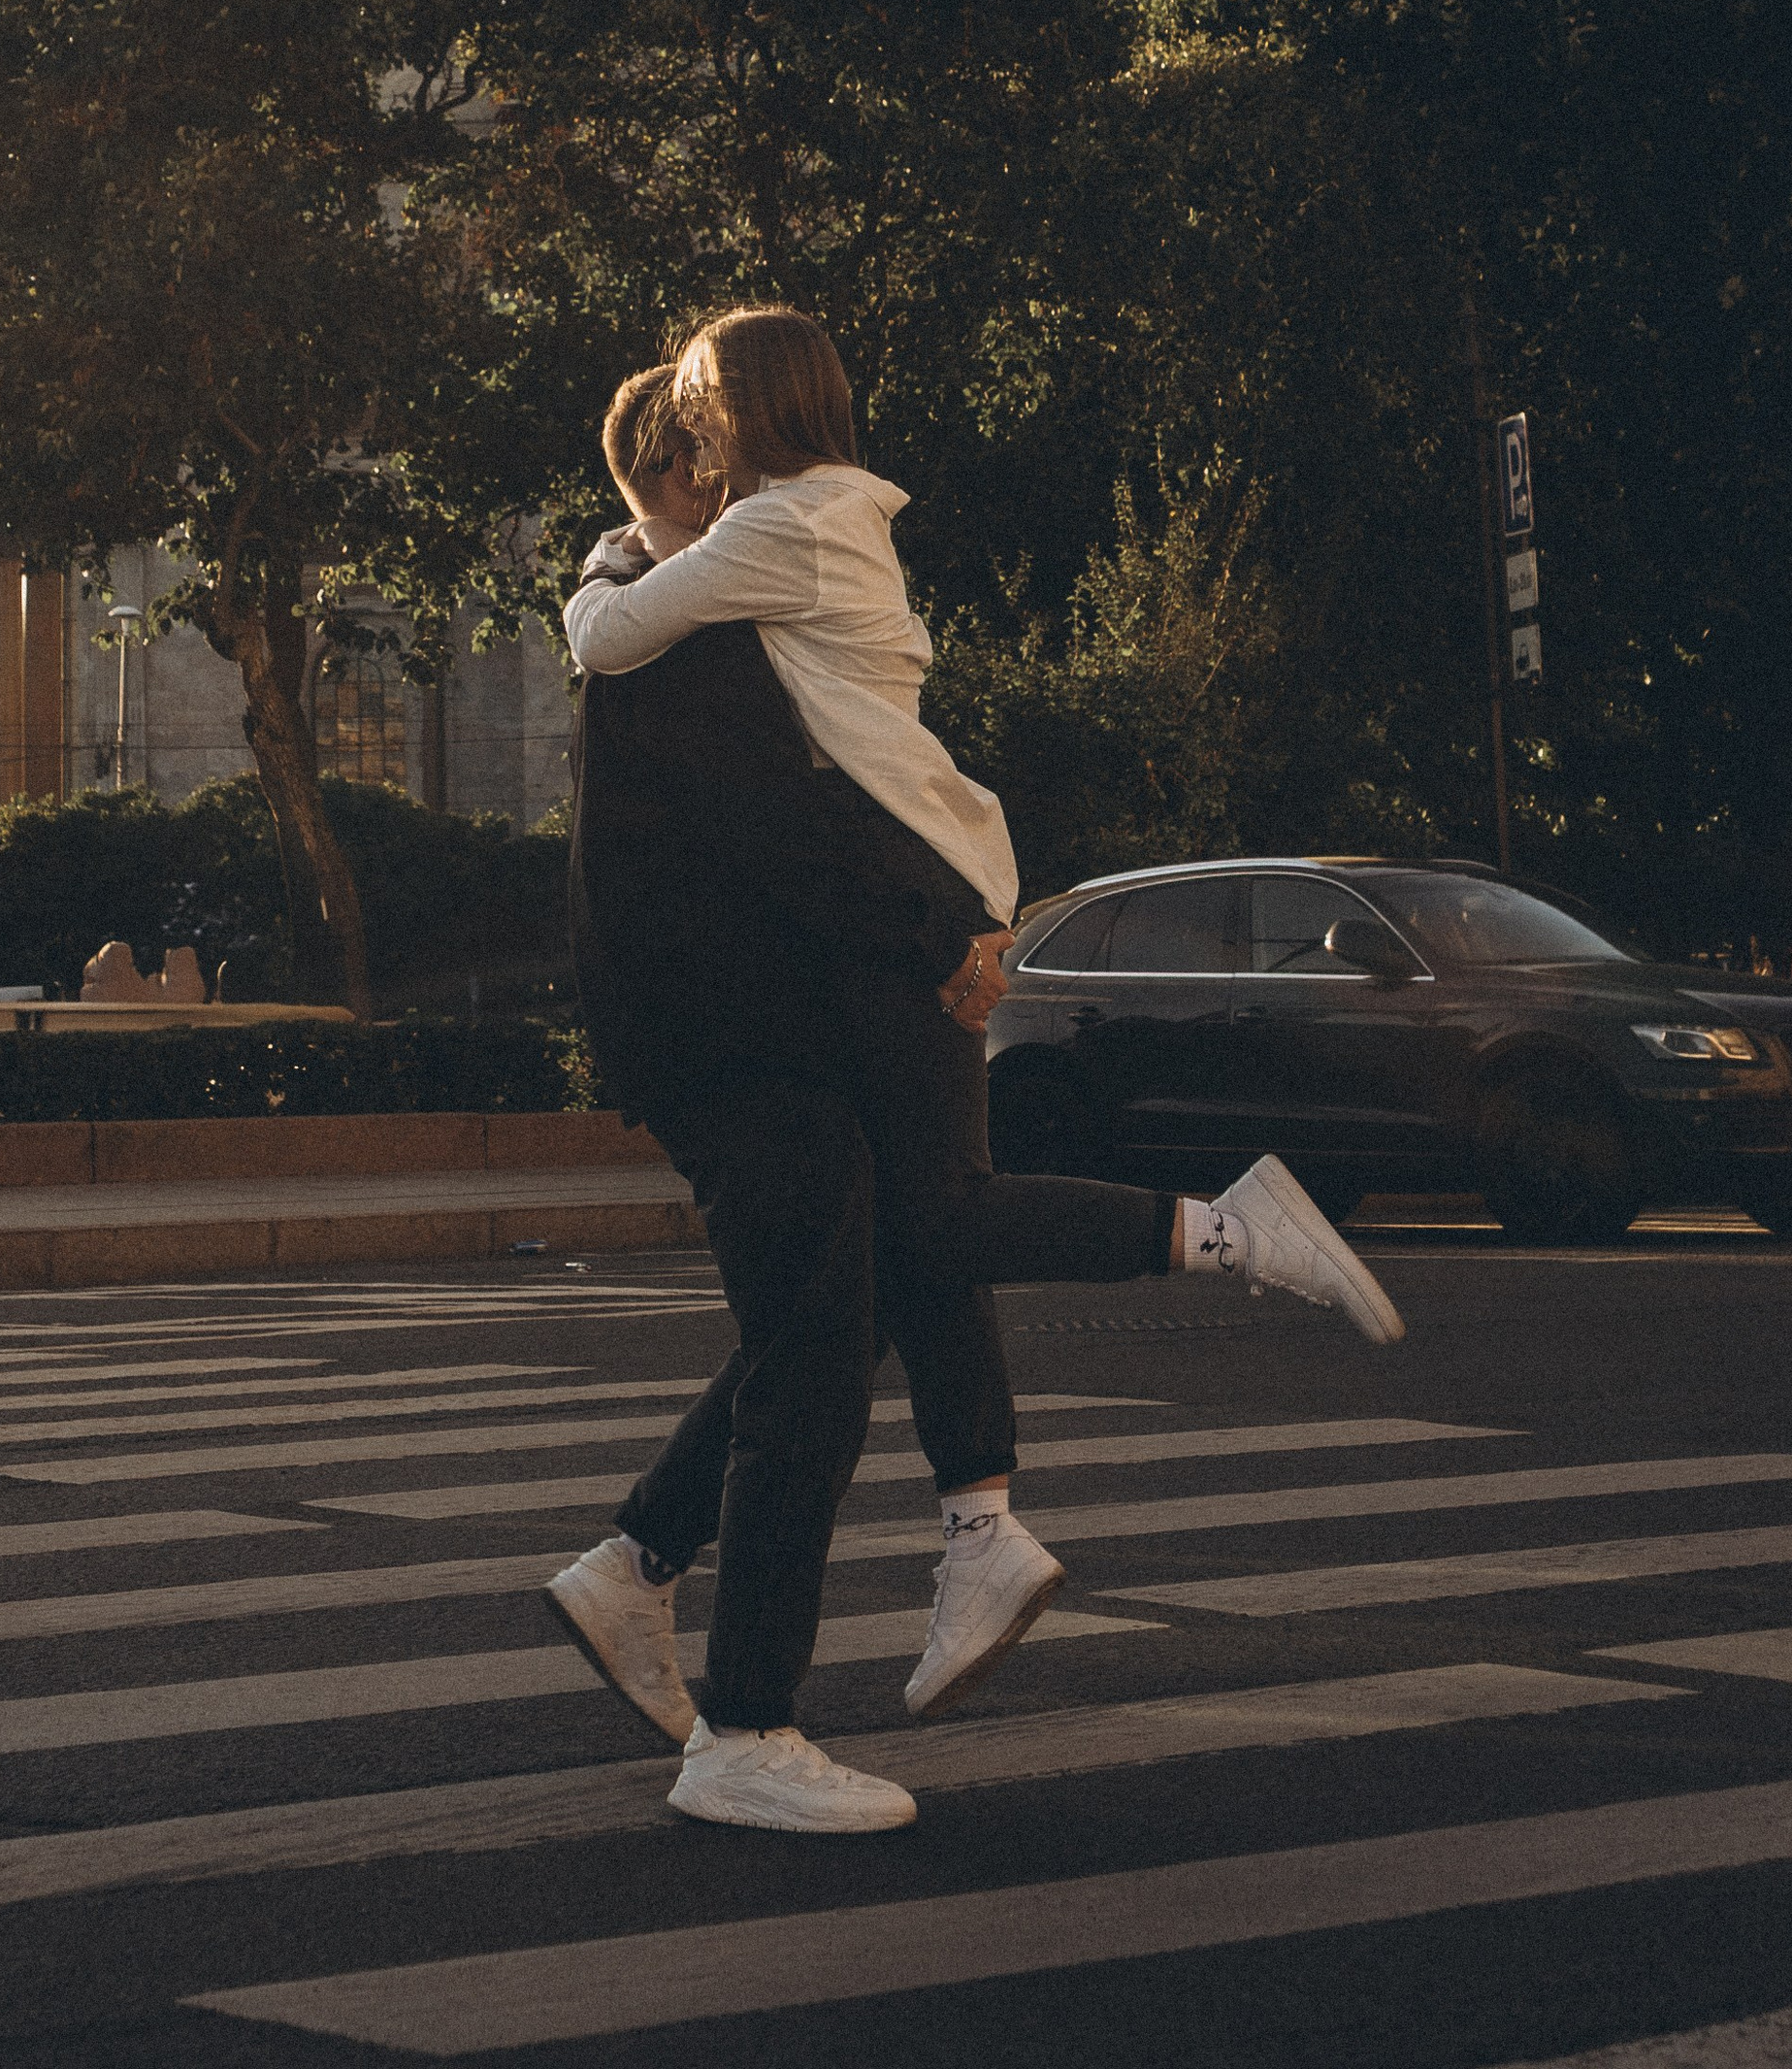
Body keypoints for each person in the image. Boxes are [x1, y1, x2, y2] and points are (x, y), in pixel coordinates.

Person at [555, 308, 1404, 1839]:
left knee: (869, 1277)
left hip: (793, 995)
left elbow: (744, 771)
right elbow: (772, 824)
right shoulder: (713, 602)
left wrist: (936, 928)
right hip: (751, 1019)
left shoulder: (737, 571)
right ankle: (764, 1666)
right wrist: (940, 926)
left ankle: (700, 1597)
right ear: (679, 475)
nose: (701, 471)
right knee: (863, 1288)